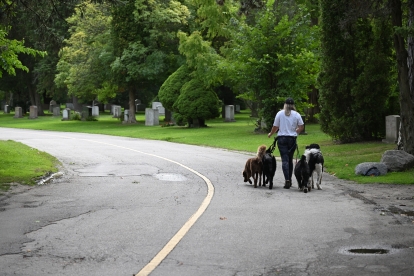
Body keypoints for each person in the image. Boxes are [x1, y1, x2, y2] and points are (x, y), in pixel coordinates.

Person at [268, 97, 304, 189]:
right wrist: (296, 131)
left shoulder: (280, 114)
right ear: (293, 105)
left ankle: (287, 179)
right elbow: (301, 127)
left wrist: (271, 134)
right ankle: (290, 179)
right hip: (292, 139)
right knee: (290, 159)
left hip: (282, 139)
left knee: (284, 160)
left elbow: (275, 126)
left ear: (285, 104)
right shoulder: (297, 114)